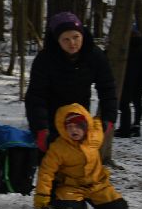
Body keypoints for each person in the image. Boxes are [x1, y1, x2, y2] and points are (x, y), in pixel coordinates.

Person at [24, 11, 116, 152]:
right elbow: (36, 96)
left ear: (82, 35)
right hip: (51, 120)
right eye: (66, 39)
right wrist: (41, 129)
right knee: (52, 165)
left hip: (79, 118)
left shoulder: (94, 55)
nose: (72, 43)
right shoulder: (45, 60)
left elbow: (107, 87)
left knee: (79, 164)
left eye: (76, 37)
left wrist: (109, 118)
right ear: (57, 40)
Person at [33, 104, 128, 209]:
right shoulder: (58, 148)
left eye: (78, 126)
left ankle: (101, 205)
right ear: (64, 129)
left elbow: (97, 123)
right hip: (71, 187)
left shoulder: (94, 137)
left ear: (85, 126)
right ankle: (69, 203)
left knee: (118, 207)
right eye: (69, 127)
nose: (74, 130)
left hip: (98, 185)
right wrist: (42, 196)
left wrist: (107, 121)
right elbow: (46, 172)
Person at [116, 25, 142, 138]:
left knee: (126, 103)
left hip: (131, 80)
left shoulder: (131, 44)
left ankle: (127, 128)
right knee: (135, 103)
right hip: (134, 80)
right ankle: (134, 126)